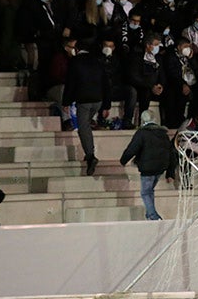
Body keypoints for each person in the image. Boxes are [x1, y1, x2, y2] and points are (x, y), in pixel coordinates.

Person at [62, 39, 111, 175]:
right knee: (86, 125)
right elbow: (106, 83)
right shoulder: (98, 61)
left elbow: (70, 83)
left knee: (83, 127)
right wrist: (106, 105)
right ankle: (88, 150)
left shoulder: (75, 62)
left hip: (83, 100)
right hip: (98, 100)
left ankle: (90, 156)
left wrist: (66, 102)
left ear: (77, 50)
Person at [120, 109, 176, 220]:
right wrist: (170, 172)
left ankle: (153, 215)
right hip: (161, 167)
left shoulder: (142, 133)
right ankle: (149, 213)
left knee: (145, 192)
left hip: (148, 167)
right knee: (149, 190)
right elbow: (171, 153)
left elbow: (132, 148)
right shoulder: (163, 134)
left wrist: (123, 160)